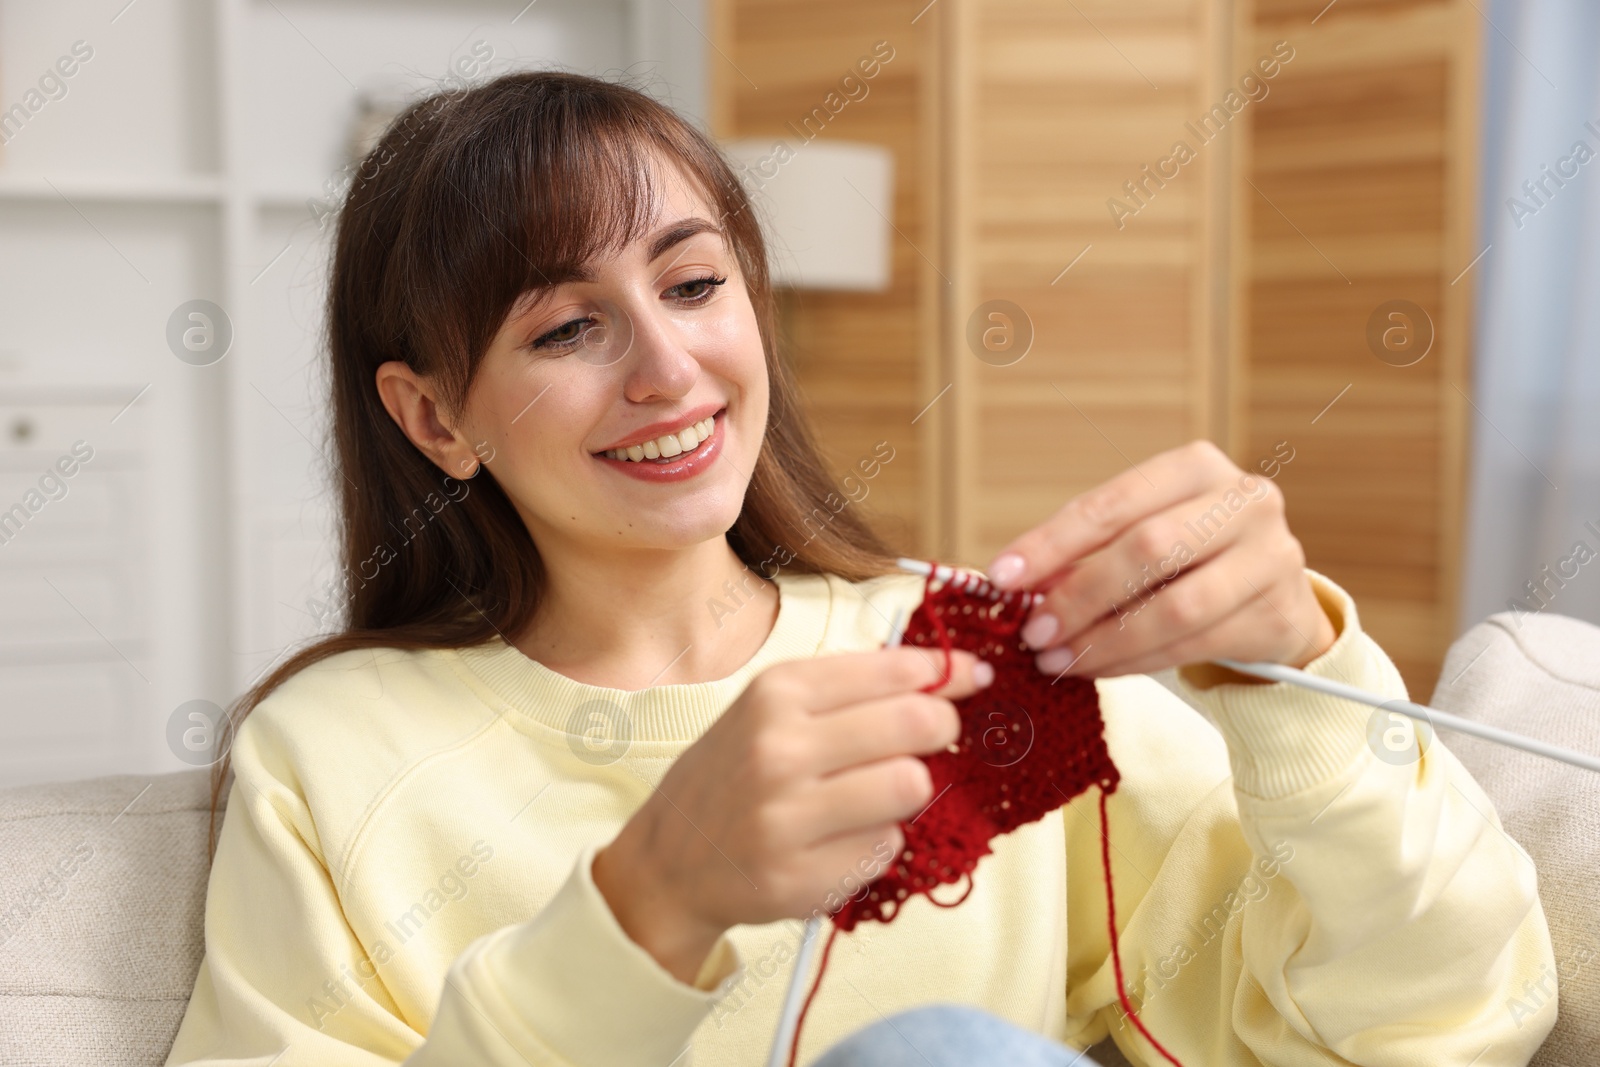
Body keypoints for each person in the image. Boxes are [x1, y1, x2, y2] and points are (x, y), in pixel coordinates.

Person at [164, 71, 1555, 1067]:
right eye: (567, 328)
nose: (669, 370)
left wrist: (1299, 680)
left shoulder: (969, 665)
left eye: (696, 285)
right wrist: (646, 907)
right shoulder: (330, 760)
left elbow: (1440, 1029)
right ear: (435, 419)